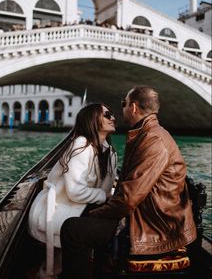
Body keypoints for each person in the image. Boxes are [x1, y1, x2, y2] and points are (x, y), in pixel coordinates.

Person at [60, 85, 197, 279]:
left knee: (72, 229)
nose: (120, 110)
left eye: (123, 104)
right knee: (88, 221)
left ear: (133, 107)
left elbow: (129, 199)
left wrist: (96, 213)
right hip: (150, 216)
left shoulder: (152, 140)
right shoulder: (148, 134)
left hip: (153, 226)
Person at [28, 103, 117, 278]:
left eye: (112, 114)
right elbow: (75, 192)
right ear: (92, 119)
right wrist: (104, 196)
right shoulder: (81, 145)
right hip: (59, 208)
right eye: (107, 114)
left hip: (83, 208)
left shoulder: (110, 152)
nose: (113, 118)